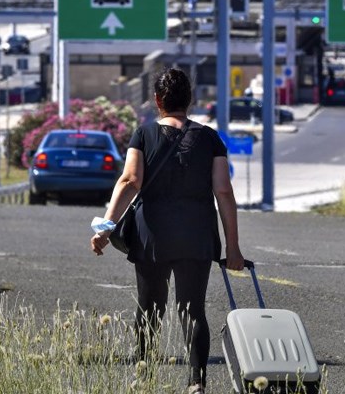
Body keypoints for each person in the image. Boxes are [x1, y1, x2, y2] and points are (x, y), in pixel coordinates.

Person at [90, 68, 245, 394]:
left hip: (152, 235)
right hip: (197, 234)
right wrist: (233, 248)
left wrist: (105, 227)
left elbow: (130, 181)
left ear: (157, 100)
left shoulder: (143, 135)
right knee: (193, 309)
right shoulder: (210, 138)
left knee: (150, 307)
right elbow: (224, 193)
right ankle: (196, 383)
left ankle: (142, 377)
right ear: (189, 100)